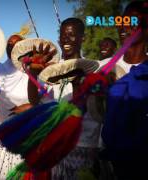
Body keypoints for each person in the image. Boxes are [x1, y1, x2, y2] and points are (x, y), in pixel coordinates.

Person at [0, 34, 56, 179]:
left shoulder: (36, 70)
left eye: (18, 44)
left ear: (26, 48)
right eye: (9, 44)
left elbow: (39, 102)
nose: (13, 47)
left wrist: (28, 108)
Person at [51, 18, 102, 180]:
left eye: (71, 35)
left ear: (83, 38)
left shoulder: (96, 69)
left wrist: (80, 85)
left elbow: (99, 112)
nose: (66, 39)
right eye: (63, 35)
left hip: (84, 147)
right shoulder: (52, 71)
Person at [101, 1, 148, 179]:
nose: (124, 25)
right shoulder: (103, 69)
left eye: (133, 21)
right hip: (111, 164)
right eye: (122, 20)